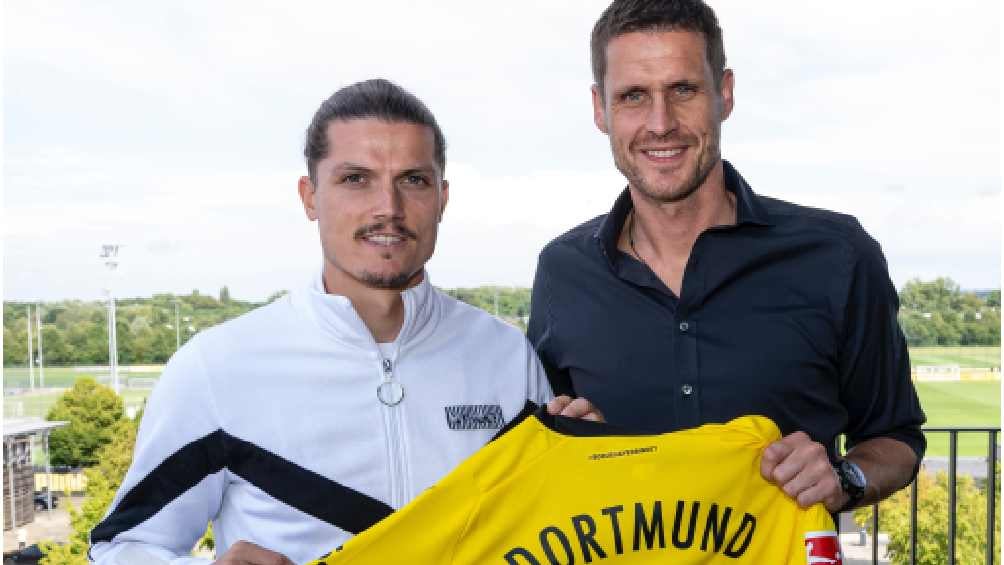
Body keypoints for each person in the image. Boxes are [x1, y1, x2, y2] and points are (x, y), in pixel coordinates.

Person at [90, 79, 598, 565]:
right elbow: (120, 548)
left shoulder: (506, 356)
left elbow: (550, 530)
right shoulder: (216, 368)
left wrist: (588, 475)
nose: (388, 208)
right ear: (310, 196)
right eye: (356, 179)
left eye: (413, 180)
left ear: (442, 198)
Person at [528, 0, 925, 517]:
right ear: (600, 109)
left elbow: (896, 439)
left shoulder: (839, 255)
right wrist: (574, 444)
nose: (660, 123)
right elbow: (545, 453)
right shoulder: (562, 271)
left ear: (725, 93)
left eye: (683, 90)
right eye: (633, 96)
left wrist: (844, 477)